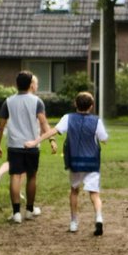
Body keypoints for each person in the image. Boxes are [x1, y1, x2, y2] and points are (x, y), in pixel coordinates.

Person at [27, 91, 108, 236]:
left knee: (74, 190)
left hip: (75, 161)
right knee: (94, 194)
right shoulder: (96, 121)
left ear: (75, 104)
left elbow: (52, 131)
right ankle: (99, 218)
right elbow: (104, 138)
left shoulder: (68, 118)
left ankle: (73, 222)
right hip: (92, 163)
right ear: (91, 106)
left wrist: (35, 142)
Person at [0, 71, 53, 223]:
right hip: (32, 145)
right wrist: (51, 139)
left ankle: (16, 214)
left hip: (14, 145)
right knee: (32, 176)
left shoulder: (8, 102)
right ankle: (29, 210)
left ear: (16, 84)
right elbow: (43, 122)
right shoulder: (37, 101)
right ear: (30, 84)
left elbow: (1, 126)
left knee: (15, 176)